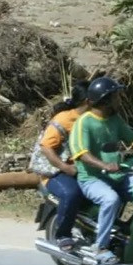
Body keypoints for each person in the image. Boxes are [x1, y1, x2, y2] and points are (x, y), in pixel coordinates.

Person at [68, 76, 133, 265]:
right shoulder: (84, 122)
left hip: (118, 175)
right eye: (115, 96)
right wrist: (104, 165)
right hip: (91, 179)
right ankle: (100, 247)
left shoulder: (114, 119)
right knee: (111, 199)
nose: (119, 100)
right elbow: (81, 154)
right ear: (104, 100)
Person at [31, 84, 87, 252]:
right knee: (72, 193)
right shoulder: (64, 119)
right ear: (88, 101)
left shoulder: (98, 118)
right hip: (55, 172)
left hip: (84, 169)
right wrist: (65, 167)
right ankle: (63, 235)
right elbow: (46, 146)